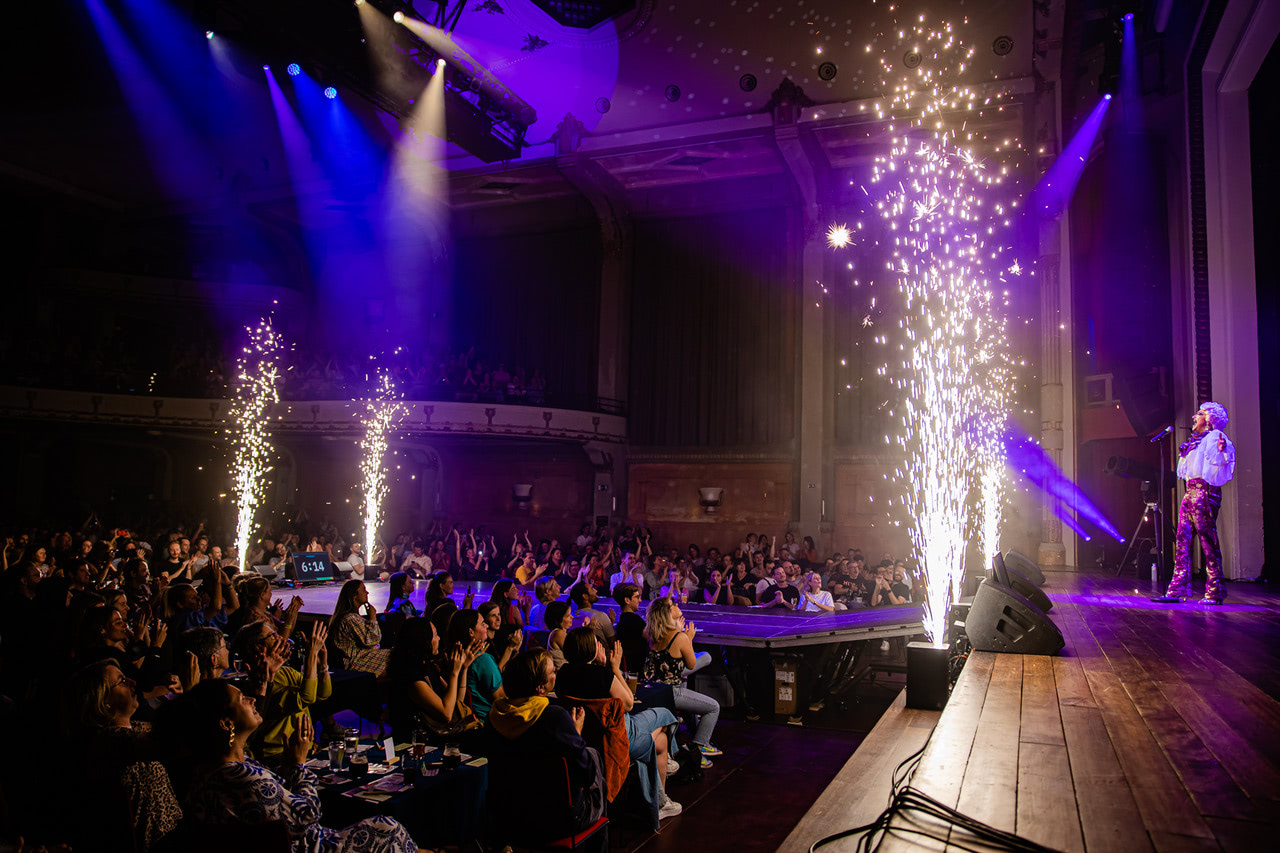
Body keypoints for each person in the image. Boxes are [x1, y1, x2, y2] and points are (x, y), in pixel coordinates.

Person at [181, 679, 416, 852]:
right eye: (242, 699)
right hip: (309, 847)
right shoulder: (240, 776)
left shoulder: (212, 767)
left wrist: (286, 767)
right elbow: (308, 816)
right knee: (387, 828)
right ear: (225, 723)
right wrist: (299, 766)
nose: (252, 699)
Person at [556, 627, 681, 823]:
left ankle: (662, 798)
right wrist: (613, 667)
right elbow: (629, 703)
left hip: (584, 738)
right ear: (592, 648)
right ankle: (662, 795)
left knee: (661, 742)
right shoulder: (601, 675)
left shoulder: (562, 674)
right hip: (617, 739)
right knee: (665, 715)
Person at [62, 661, 183, 853]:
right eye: (122, 681)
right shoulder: (107, 740)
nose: (132, 682)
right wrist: (194, 694)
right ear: (103, 700)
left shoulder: (136, 727)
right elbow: (168, 744)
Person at [484, 650, 606, 840]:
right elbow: (586, 774)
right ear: (541, 688)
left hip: (507, 816)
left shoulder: (494, 716)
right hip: (557, 820)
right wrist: (576, 733)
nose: (556, 673)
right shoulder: (554, 717)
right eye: (553, 672)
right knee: (593, 756)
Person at [1153, 402, 1237, 605]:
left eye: (1199, 413)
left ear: (1209, 419)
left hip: (1204, 493)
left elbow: (1225, 456)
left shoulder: (1215, 437)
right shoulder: (1196, 441)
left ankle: (1215, 591)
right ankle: (1177, 590)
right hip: (1190, 493)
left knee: (1208, 542)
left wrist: (1222, 451)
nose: (1193, 417)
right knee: (1182, 542)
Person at [642, 597, 721, 766]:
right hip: (671, 692)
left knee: (698, 664)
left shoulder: (650, 632)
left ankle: (697, 741)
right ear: (667, 612)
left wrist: (678, 630)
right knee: (713, 707)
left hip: (654, 687)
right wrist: (688, 638)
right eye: (673, 605)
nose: (677, 605)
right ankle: (698, 749)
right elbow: (691, 664)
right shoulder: (680, 638)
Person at [385, 617, 482, 743]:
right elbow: (446, 714)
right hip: (421, 740)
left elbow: (457, 703)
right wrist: (453, 673)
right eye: (435, 635)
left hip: (441, 732)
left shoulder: (427, 666)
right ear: (423, 641)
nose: (439, 639)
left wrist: (463, 669)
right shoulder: (411, 677)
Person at [449, 609, 504, 722]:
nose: (487, 626)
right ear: (471, 632)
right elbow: (500, 697)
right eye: (482, 623)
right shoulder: (481, 659)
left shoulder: (454, 655)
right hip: (485, 722)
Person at [329, 579, 390, 675]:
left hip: (362, 658)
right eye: (363, 590)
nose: (367, 592)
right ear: (354, 595)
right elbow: (372, 640)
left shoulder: (353, 617)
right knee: (395, 656)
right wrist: (373, 617)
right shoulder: (350, 618)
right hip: (356, 662)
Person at [612, 583, 647, 674]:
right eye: (637, 597)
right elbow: (653, 637)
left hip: (630, 668)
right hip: (641, 669)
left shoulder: (622, 620)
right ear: (627, 600)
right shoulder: (634, 620)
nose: (640, 600)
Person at [545, 600, 574, 669]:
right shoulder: (558, 633)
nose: (572, 617)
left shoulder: (560, 633)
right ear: (558, 619)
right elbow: (575, 654)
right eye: (567, 616)